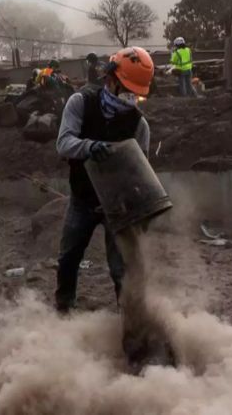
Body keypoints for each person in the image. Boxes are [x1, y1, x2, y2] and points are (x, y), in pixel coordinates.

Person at [54, 46, 153, 313]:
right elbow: (63, 144)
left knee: (121, 268)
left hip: (117, 207)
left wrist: (140, 208)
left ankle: (130, 322)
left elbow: (141, 170)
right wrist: (88, 147)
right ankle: (64, 310)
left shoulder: (138, 125)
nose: (131, 99)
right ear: (110, 80)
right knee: (68, 258)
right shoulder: (80, 103)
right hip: (83, 199)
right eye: (127, 90)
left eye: (136, 94)